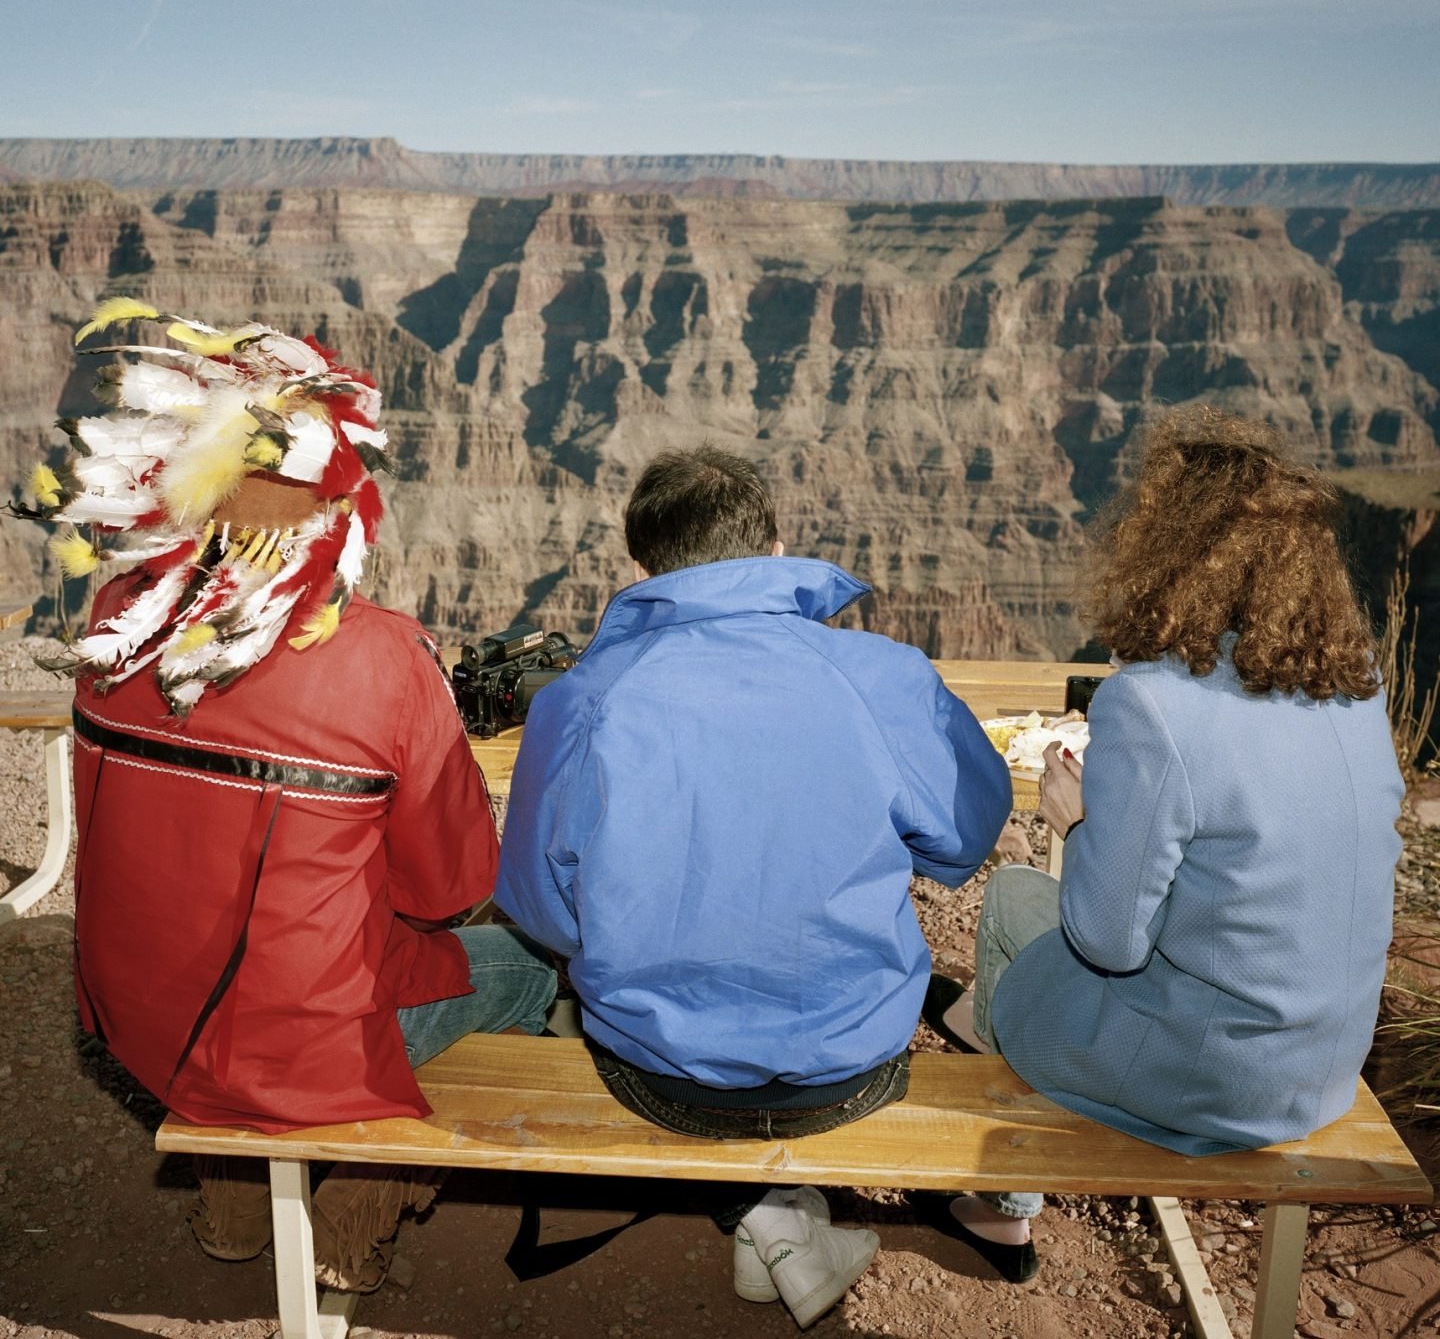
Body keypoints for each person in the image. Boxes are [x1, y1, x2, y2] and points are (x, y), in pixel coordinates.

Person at [20, 300, 556, 1292]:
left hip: (140, 1013)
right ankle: (355, 1221)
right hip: (299, 1041)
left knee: (243, 956)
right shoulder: (384, 656)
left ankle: (232, 1209)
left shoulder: (114, 621)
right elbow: (446, 891)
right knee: (522, 966)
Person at [496, 443, 1012, 1329]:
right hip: (853, 1071)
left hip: (659, 1076)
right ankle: (787, 1214)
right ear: (776, 549)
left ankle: (766, 1214)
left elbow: (543, 910)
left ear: (640, 568)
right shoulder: (881, 677)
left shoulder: (581, 701)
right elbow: (964, 835)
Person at [922, 405, 1404, 1282]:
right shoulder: (1358, 682)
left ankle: (1004, 1212)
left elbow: (1108, 941)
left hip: (1221, 1079)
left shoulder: (1152, 703)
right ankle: (977, 1021)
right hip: (1328, 1058)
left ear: (1167, 550)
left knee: (1011, 904)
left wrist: (1076, 820)